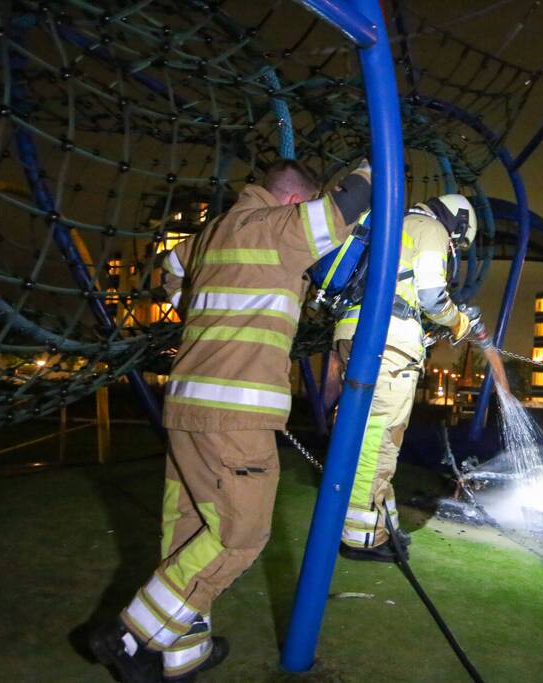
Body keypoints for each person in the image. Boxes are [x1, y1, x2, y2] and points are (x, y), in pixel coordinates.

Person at [89, 158, 372, 683]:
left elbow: (172, 269)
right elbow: (349, 203)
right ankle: (133, 636)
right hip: (235, 416)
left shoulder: (212, 232)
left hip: (188, 406)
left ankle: (184, 654)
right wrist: (373, 168)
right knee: (240, 535)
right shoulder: (281, 229)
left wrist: (208, 311)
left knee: (191, 530)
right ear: (293, 203)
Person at [333, 194, 486, 562]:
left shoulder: (394, 224)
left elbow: (403, 293)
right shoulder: (429, 228)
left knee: (364, 434)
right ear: (458, 223)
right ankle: (361, 538)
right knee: (379, 440)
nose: (453, 248)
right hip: (389, 344)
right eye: (457, 243)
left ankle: (382, 526)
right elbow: (432, 296)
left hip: (356, 334)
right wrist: (460, 322)